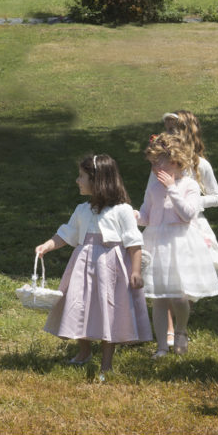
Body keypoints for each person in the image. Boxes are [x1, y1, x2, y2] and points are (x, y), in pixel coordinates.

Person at [35, 154, 151, 382]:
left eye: (82, 177)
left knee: (110, 309)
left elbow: (134, 242)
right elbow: (66, 233)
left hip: (111, 269)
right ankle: (84, 350)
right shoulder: (82, 209)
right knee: (78, 303)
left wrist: (135, 271)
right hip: (82, 265)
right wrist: (47, 246)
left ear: (97, 180)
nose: (78, 181)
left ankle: (106, 363)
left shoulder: (122, 210)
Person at [136, 133, 218, 358]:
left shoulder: (189, 185)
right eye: (152, 163)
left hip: (181, 244)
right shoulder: (153, 187)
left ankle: (181, 330)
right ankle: (162, 346)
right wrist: (133, 215)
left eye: (158, 162)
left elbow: (187, 214)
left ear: (174, 160)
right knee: (160, 298)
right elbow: (146, 216)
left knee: (180, 297)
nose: (154, 168)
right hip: (157, 245)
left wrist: (173, 188)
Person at [154, 111, 218, 347]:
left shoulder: (200, 165)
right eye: (167, 130)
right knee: (165, 277)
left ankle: (180, 327)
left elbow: (216, 197)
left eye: (174, 130)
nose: (169, 134)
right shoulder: (161, 164)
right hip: (165, 226)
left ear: (187, 133)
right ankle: (170, 331)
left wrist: (193, 203)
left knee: (186, 278)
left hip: (191, 224)